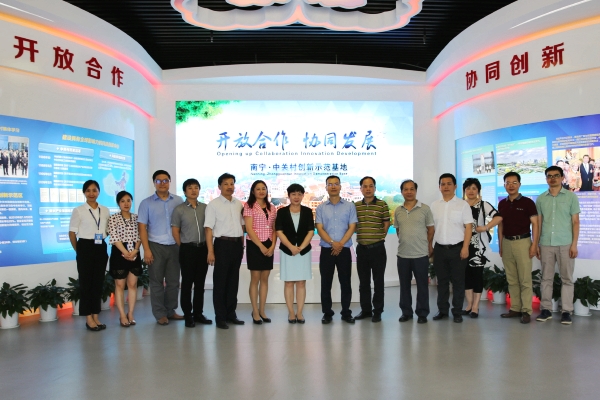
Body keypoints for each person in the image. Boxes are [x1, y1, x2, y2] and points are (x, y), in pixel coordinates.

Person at [478, 172, 538, 324]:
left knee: (524, 279)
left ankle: (526, 311)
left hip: (523, 242)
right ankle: (515, 308)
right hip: (506, 243)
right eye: (508, 183)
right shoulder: (502, 204)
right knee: (511, 278)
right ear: (504, 185)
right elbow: (500, 225)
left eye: (514, 182)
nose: (511, 185)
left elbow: (535, 224)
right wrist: (500, 243)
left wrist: (534, 245)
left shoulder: (528, 203)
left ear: (519, 184)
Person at [536, 166, 580, 325]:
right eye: (549, 176)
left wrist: (574, 245)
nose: (552, 178)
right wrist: (536, 244)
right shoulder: (541, 199)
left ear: (562, 178)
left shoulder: (571, 197)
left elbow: (575, 222)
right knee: (546, 278)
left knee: (567, 279)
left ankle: (566, 311)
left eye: (556, 175)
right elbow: (539, 223)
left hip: (565, 243)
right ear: (546, 179)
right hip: (546, 243)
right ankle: (546, 309)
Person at [138, 170, 184, 326]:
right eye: (159, 181)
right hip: (155, 246)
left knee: (173, 281)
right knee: (156, 282)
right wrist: (146, 250)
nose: (162, 183)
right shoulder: (146, 203)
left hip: (174, 245)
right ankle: (160, 314)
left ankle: (170, 311)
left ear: (170, 182)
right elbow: (142, 228)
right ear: (154, 183)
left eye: (165, 180)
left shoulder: (178, 200)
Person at [204, 173, 245, 329]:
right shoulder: (213, 205)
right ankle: (220, 317)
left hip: (237, 245)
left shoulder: (238, 204)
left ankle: (231, 314)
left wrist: (242, 245)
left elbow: (242, 226)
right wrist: (210, 251)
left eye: (232, 184)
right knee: (220, 282)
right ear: (219, 186)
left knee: (233, 281)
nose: (229, 186)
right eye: (226, 184)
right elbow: (208, 229)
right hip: (222, 245)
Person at [430, 173, 472, 323]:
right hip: (439, 249)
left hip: (457, 249)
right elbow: (431, 228)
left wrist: (465, 247)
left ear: (455, 186)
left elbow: (468, 227)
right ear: (439, 187)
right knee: (441, 282)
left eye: (449, 184)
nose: (446, 187)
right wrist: (430, 246)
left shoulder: (463, 205)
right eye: (443, 184)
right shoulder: (434, 205)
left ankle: (457, 312)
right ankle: (442, 311)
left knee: (458, 282)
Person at [315, 175, 358, 324]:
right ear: (326, 187)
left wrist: (340, 244)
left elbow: (352, 226)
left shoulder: (350, 206)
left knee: (345, 282)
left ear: (340, 186)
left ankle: (346, 312)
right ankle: (327, 313)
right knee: (325, 283)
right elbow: (319, 228)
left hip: (344, 249)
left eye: (336, 184)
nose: (333, 186)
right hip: (327, 249)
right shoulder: (321, 208)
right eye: (330, 184)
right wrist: (333, 243)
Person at [68, 180, 109, 331]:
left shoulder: (105, 210)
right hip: (85, 246)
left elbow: (107, 229)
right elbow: (72, 233)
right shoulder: (79, 210)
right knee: (86, 284)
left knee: (98, 283)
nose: (91, 193)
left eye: (94, 190)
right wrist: (78, 250)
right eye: (88, 190)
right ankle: (88, 318)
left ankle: (96, 315)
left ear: (99, 192)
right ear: (84, 192)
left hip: (100, 246)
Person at [171, 178, 212, 328]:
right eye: (190, 188)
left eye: (196, 187)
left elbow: (209, 229)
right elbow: (175, 231)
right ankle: (188, 315)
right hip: (187, 249)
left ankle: (198, 313)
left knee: (200, 284)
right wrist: (184, 246)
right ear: (184, 191)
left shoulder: (206, 208)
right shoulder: (179, 209)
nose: (193, 190)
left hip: (203, 249)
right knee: (187, 283)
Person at [394, 180, 434, 324]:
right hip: (403, 254)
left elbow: (431, 229)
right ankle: (406, 312)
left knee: (422, 285)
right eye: (406, 189)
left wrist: (426, 244)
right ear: (402, 192)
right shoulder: (398, 210)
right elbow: (398, 230)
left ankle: (422, 313)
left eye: (412, 189)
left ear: (416, 191)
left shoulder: (425, 209)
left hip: (420, 254)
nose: (409, 192)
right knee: (404, 286)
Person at [461, 178, 501, 318]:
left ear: (478, 190)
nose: (471, 191)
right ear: (464, 190)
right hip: (463, 246)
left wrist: (485, 227)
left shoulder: (484, 204)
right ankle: (469, 305)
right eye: (468, 188)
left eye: (474, 188)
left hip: (478, 247)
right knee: (466, 276)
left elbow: (498, 217)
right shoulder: (461, 205)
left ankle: (476, 307)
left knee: (477, 277)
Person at [276, 183, 314, 324]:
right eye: (293, 194)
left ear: (303, 196)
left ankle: (300, 312)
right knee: (289, 282)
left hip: (303, 252)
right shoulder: (282, 212)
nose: (296, 197)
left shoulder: (308, 211)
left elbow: (310, 231)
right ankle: (291, 313)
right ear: (289, 196)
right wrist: (291, 247)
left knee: (301, 282)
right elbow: (279, 231)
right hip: (287, 251)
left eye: (299, 194)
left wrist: (301, 247)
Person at [354, 176, 390, 323]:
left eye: (371, 186)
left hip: (377, 249)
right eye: (365, 186)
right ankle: (366, 310)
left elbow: (386, 223)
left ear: (375, 188)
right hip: (362, 249)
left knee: (378, 281)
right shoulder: (356, 206)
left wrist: (380, 237)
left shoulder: (382, 204)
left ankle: (378, 311)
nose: (368, 189)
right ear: (361, 189)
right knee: (363, 282)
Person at [243, 180, 277, 325]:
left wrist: (273, 245)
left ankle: (262, 310)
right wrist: (261, 246)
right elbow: (249, 229)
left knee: (265, 279)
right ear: (253, 191)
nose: (261, 191)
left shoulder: (272, 207)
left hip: (269, 244)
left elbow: (274, 228)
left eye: (264, 188)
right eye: (258, 189)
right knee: (255, 278)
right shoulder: (249, 206)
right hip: (254, 244)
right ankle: (255, 311)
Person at [107, 191, 142, 328]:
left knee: (132, 284)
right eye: (122, 201)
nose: (126, 203)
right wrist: (126, 252)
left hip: (134, 252)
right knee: (120, 285)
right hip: (119, 253)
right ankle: (122, 315)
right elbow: (114, 237)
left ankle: (131, 314)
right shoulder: (113, 218)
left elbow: (141, 235)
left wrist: (135, 250)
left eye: (128, 200)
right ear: (118, 203)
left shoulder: (137, 218)